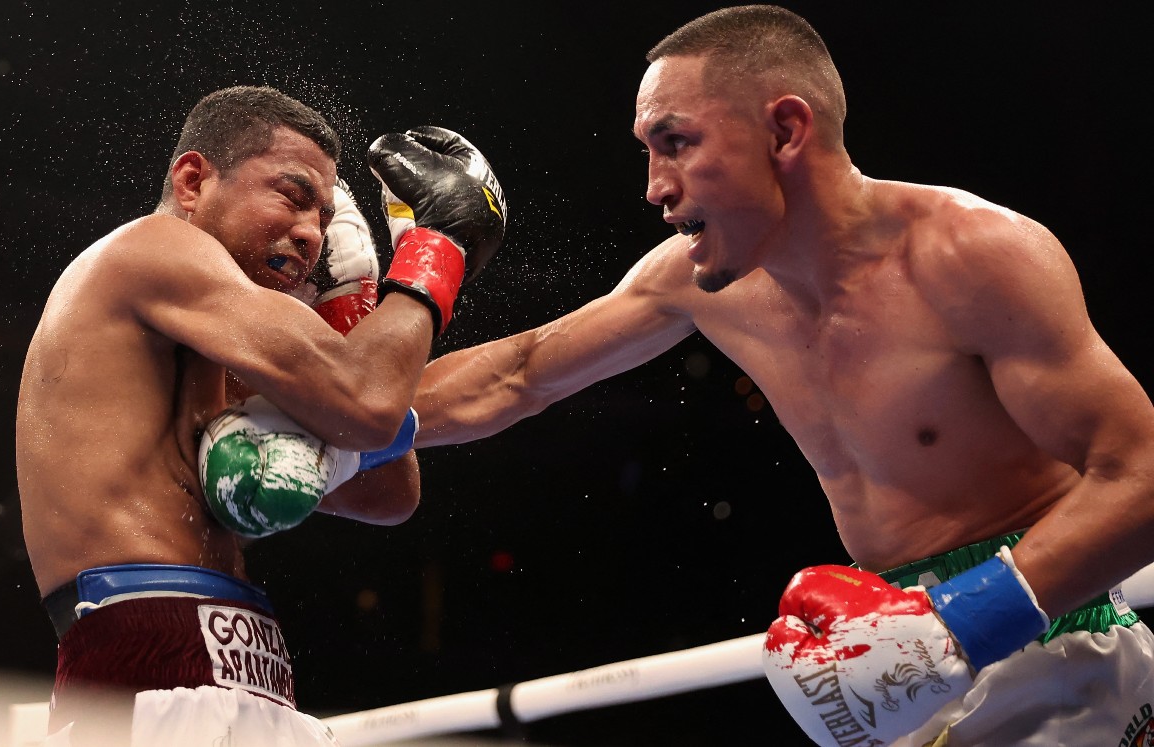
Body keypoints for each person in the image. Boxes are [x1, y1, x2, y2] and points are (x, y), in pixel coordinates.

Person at [410, 6, 1154, 746]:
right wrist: (336, 424)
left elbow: (1144, 473)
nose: (653, 187)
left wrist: (963, 616)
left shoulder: (970, 255)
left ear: (787, 130)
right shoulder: (696, 282)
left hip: (1049, 641)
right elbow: (518, 373)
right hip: (889, 659)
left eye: (675, 142)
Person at [15, 85, 506, 746]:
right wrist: (437, 249)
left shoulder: (224, 348)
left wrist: (351, 302)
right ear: (193, 180)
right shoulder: (152, 250)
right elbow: (369, 405)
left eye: (325, 219)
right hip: (143, 654)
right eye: (292, 194)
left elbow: (389, 488)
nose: (310, 233)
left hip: (250, 669)